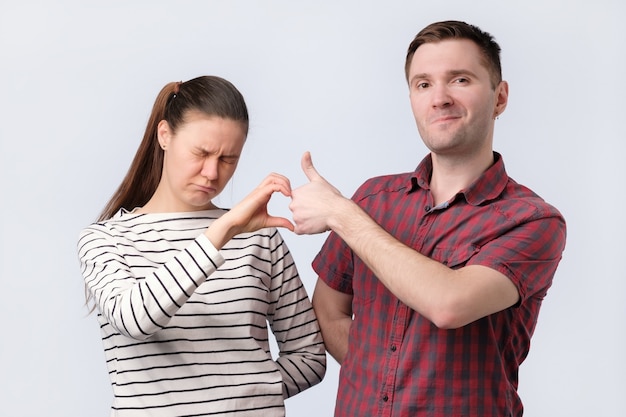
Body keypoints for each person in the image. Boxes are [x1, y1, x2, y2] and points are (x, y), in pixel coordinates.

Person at [288, 20, 566, 417]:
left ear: (500, 97)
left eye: (460, 80)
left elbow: (449, 304)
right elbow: (328, 310)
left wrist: (341, 214)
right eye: (423, 84)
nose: (440, 98)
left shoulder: (533, 221)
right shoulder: (374, 199)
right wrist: (381, 375)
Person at [77, 75, 326, 417]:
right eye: (202, 152)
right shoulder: (106, 239)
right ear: (164, 135)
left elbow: (309, 357)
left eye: (228, 159)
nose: (212, 173)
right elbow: (134, 318)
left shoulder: (261, 237)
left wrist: (245, 397)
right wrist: (222, 230)